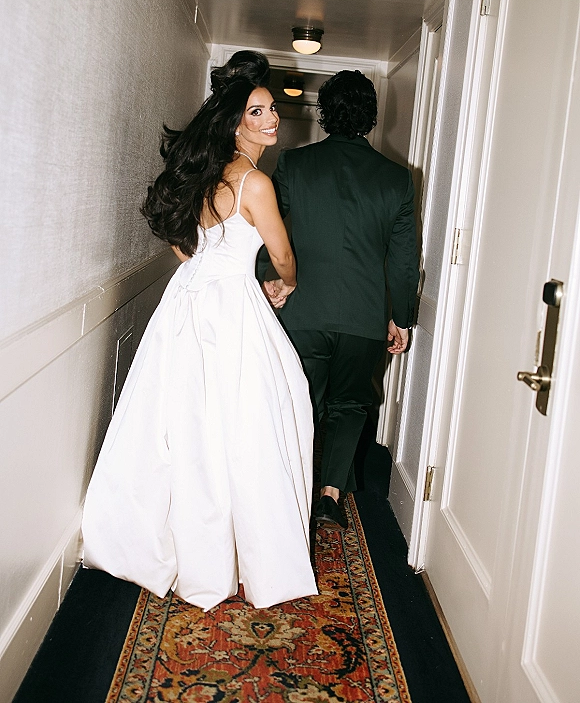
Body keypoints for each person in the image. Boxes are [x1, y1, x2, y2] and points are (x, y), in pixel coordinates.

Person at [82, 52, 318, 610]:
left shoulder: (203, 177)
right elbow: (283, 256)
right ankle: (243, 553)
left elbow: (177, 237)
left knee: (189, 424)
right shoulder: (254, 183)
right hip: (234, 308)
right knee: (251, 423)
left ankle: (195, 547)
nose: (272, 120)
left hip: (186, 303)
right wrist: (285, 283)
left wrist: (202, 267)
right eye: (258, 112)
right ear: (236, 122)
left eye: (271, 110)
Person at [262, 70, 420, 531]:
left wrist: (268, 280)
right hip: (364, 317)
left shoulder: (294, 165)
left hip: (301, 311)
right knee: (351, 403)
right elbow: (403, 261)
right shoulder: (396, 180)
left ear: (325, 113)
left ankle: (289, 494)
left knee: (299, 401)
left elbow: (265, 232)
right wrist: (401, 318)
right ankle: (330, 494)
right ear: (371, 117)